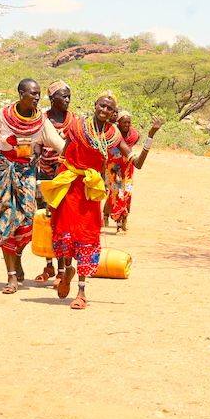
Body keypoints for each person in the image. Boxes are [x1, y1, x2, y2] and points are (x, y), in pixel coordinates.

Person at [40, 91, 130, 309]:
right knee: (66, 230)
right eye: (101, 106)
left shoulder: (113, 134)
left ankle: (81, 292)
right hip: (70, 184)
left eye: (109, 108)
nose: (104, 111)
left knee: (87, 235)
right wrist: (57, 187)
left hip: (90, 188)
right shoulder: (78, 126)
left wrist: (151, 136)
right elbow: (64, 151)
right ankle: (66, 271)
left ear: (112, 113)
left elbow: (134, 159)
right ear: (95, 105)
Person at [0, 79, 65, 294]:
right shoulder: (1, 116)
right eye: (33, 94)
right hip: (1, 173)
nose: (37, 98)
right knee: (6, 219)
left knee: (27, 221)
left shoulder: (41, 122)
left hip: (27, 173)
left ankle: (17, 256)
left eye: (39, 94)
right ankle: (10, 276)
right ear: (21, 94)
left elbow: (61, 147)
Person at [33, 80, 75, 285]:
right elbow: (37, 146)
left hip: (64, 175)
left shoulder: (73, 120)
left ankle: (61, 270)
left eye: (68, 96)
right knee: (45, 219)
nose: (67, 100)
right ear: (52, 99)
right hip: (44, 173)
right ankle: (48, 265)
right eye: (63, 96)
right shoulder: (41, 119)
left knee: (61, 221)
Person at [103, 111, 164, 233]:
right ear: (118, 123)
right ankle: (119, 223)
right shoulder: (111, 134)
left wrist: (150, 135)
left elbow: (134, 157)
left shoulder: (134, 135)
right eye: (124, 122)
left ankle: (119, 216)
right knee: (117, 194)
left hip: (127, 166)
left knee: (127, 194)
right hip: (113, 167)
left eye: (129, 123)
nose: (127, 125)